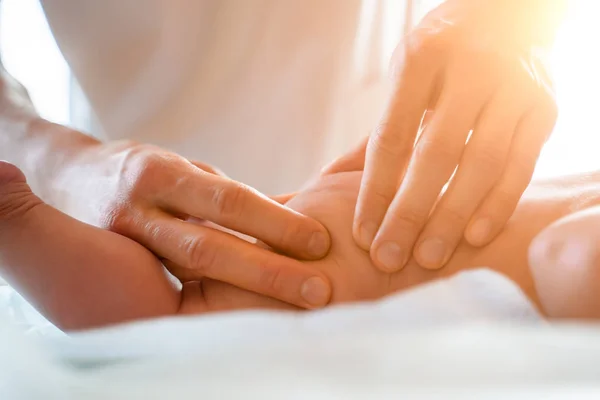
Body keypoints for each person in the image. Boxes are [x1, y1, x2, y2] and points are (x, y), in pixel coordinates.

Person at [0, 0, 566, 306]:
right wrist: (52, 159)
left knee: (170, 309)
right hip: (136, 189)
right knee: (169, 306)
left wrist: (510, 17)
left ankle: (14, 219)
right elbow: (571, 258)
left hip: (380, 177)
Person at [1, 158, 599, 331]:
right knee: (163, 300)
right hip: (332, 209)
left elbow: (569, 259)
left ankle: (15, 219)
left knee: (157, 314)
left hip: (299, 285)